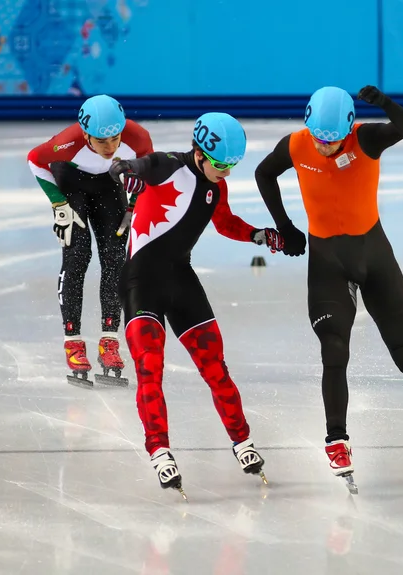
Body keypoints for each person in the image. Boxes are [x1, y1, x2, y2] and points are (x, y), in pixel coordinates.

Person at [253, 85, 403, 485]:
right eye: (320, 138)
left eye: (334, 141)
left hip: (375, 258)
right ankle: (336, 439)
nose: (325, 147)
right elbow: (263, 173)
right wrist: (286, 228)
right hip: (326, 264)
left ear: (349, 129)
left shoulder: (366, 139)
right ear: (308, 126)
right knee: (334, 349)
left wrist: (385, 103)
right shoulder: (297, 144)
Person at [108, 112, 283, 498]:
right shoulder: (168, 165)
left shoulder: (216, 187)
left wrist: (257, 234)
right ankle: (159, 450)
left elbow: (224, 222)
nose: (226, 173)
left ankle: (242, 442)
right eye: (221, 164)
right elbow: (133, 165)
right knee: (149, 370)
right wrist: (126, 171)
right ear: (200, 152)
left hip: (181, 281)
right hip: (141, 282)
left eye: (232, 166)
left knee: (216, 368)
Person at [27, 94, 154, 385]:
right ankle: (73, 342)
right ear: (85, 135)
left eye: (115, 139)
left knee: (115, 258)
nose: (110, 147)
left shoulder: (138, 136)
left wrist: (134, 204)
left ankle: (109, 341)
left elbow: (147, 171)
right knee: (77, 256)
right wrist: (59, 205)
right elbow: (35, 161)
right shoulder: (66, 143)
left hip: (108, 186)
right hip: (71, 183)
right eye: (101, 141)